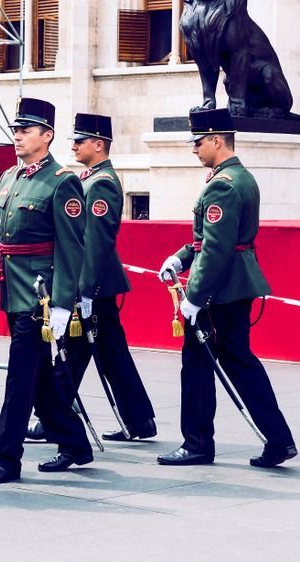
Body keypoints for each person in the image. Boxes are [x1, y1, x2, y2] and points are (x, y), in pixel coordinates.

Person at [0, 98, 91, 484]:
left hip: (40, 295)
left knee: (19, 376)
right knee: (40, 377)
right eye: (15, 129)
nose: (17, 136)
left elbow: (71, 247)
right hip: (11, 289)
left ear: (47, 136)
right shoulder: (9, 178)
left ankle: (6, 457)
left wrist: (63, 302)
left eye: (26, 130)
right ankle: (75, 443)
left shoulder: (62, 181)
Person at [156, 108, 296, 468]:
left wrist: (195, 299)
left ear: (217, 140)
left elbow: (217, 249)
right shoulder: (238, 178)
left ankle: (197, 443)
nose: (194, 149)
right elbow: (210, 242)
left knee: (198, 366)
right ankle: (278, 439)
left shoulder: (222, 184)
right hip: (235, 284)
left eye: (199, 142)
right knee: (240, 362)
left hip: (220, 291)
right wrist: (180, 257)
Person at [65, 112, 156, 441]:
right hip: (95, 282)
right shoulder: (90, 179)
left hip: (95, 283)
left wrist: (85, 289)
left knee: (73, 350)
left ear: (99, 144)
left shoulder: (101, 183)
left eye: (80, 140)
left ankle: (54, 414)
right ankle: (139, 419)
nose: (74, 145)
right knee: (110, 352)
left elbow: (96, 241)